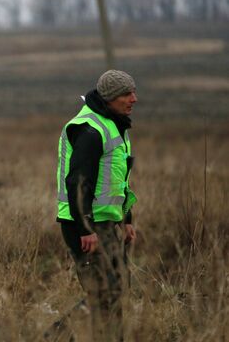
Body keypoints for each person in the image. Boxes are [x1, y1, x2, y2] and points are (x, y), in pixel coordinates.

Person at [53, 70, 138, 341]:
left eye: (133, 92)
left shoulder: (114, 125)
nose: (134, 99)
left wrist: (127, 220)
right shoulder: (91, 130)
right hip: (86, 225)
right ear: (111, 98)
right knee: (104, 293)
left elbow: (118, 182)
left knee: (118, 289)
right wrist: (85, 228)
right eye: (127, 94)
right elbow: (79, 182)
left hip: (107, 223)